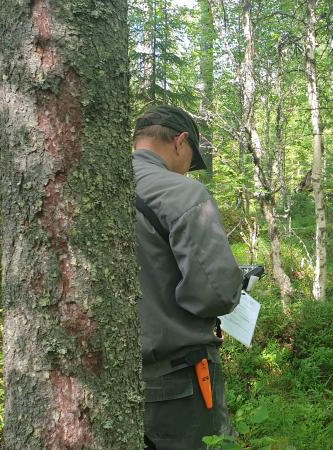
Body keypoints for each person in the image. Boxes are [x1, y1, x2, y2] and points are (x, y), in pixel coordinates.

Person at [132, 105, 243, 449]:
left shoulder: (92, 184)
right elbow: (216, 294)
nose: (188, 171)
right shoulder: (182, 194)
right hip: (177, 379)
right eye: (192, 160)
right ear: (180, 142)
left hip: (106, 377)